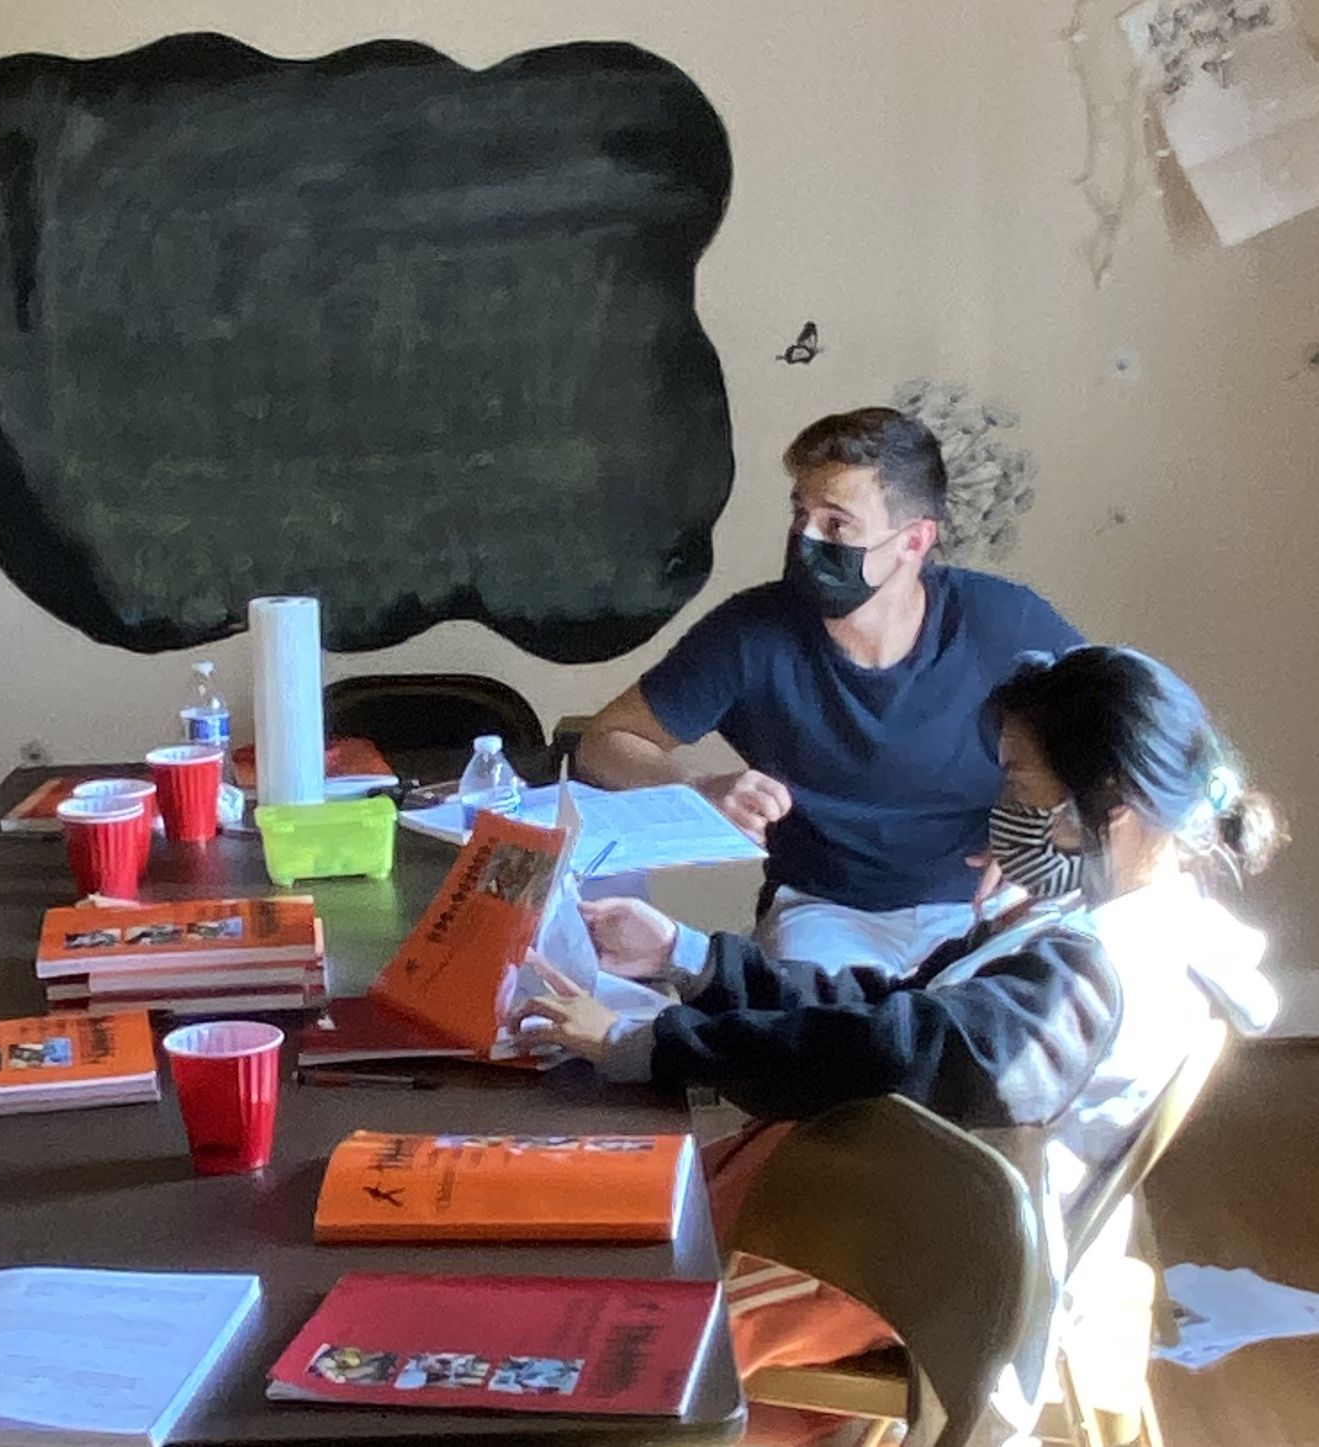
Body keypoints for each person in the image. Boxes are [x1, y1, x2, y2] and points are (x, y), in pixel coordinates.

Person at [515, 645, 1282, 1431]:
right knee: (604, 1232)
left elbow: (896, 1049)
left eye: (1020, 783)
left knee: (607, 1323)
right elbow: (895, 1007)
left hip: (893, 1256)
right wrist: (690, 955)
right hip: (877, 1204)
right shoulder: (1110, 930)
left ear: (1106, 801)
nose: (1004, 804)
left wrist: (655, 1042)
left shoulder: (1092, 974)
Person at [577, 408, 1083, 974]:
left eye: (837, 525)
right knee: (824, 1047)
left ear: (914, 540)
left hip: (978, 910)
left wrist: (1050, 832)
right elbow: (604, 741)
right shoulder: (750, 633)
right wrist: (697, 789)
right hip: (821, 912)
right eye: (800, 514)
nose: (807, 538)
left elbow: (1127, 736)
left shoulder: (1003, 622)